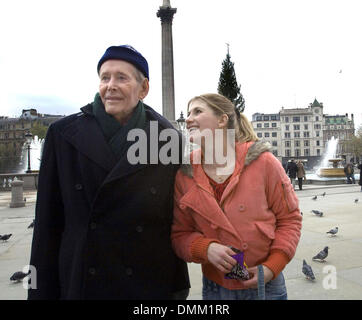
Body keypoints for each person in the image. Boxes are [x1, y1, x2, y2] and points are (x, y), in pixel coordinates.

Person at [28, 45, 190, 300]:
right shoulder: (62, 135)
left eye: (121, 78)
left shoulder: (167, 139)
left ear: (143, 88)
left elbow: (177, 219)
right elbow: (47, 227)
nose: (110, 85)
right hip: (82, 280)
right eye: (105, 77)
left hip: (147, 282)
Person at [171, 93, 302, 300]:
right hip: (215, 287)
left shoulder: (263, 162)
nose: (188, 119)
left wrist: (272, 266)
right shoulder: (185, 173)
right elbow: (180, 234)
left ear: (222, 120)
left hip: (266, 283)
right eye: (188, 113)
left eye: (197, 111)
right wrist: (205, 248)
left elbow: (290, 219)